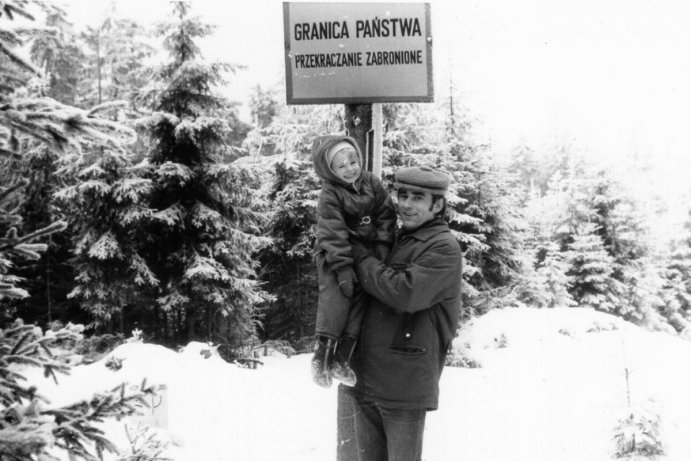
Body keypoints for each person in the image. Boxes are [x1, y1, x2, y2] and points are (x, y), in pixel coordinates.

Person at [349, 165, 463, 461]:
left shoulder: (443, 247)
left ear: (437, 205)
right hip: (368, 375)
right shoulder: (398, 238)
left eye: (418, 198)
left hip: (405, 382)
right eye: (403, 195)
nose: (407, 205)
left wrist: (361, 259)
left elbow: (404, 293)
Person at [310, 135, 396, 388]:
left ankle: (342, 358)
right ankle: (321, 357)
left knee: (362, 300)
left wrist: (381, 247)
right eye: (341, 165)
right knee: (337, 298)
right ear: (330, 170)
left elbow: (386, 214)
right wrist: (343, 268)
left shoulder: (371, 182)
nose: (350, 169)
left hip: (364, 252)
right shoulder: (330, 193)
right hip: (334, 254)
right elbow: (332, 231)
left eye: (353, 161)